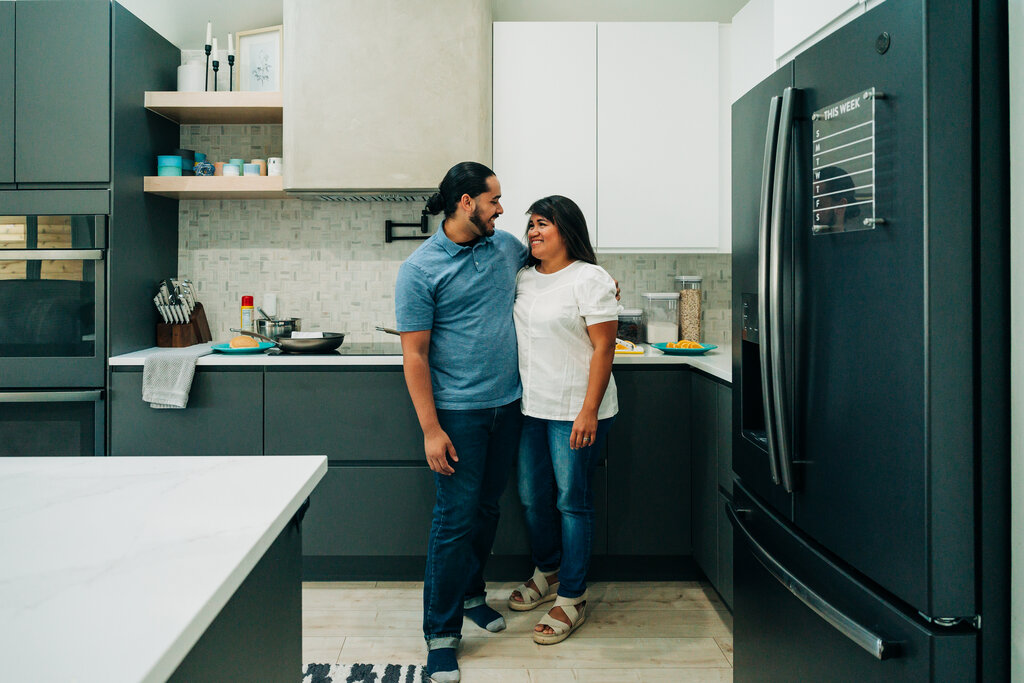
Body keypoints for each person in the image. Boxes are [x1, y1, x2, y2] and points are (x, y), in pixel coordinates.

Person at [394, 161, 528, 683]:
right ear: (467, 202)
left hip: (510, 405)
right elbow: (415, 356)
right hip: (457, 413)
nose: (502, 209)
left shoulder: (505, 246)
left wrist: (594, 274)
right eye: (495, 199)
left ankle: (473, 595)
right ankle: (442, 635)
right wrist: (431, 429)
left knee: (488, 507)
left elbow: (553, 258)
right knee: (454, 519)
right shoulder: (421, 269)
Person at [506, 195, 619, 645]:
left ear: (566, 230)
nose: (533, 232)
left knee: (572, 501)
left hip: (576, 409)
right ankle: (548, 569)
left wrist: (588, 409)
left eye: (543, 224)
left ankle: (572, 596)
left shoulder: (589, 279)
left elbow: (604, 348)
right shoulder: (522, 279)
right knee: (533, 497)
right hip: (531, 407)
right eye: (530, 224)